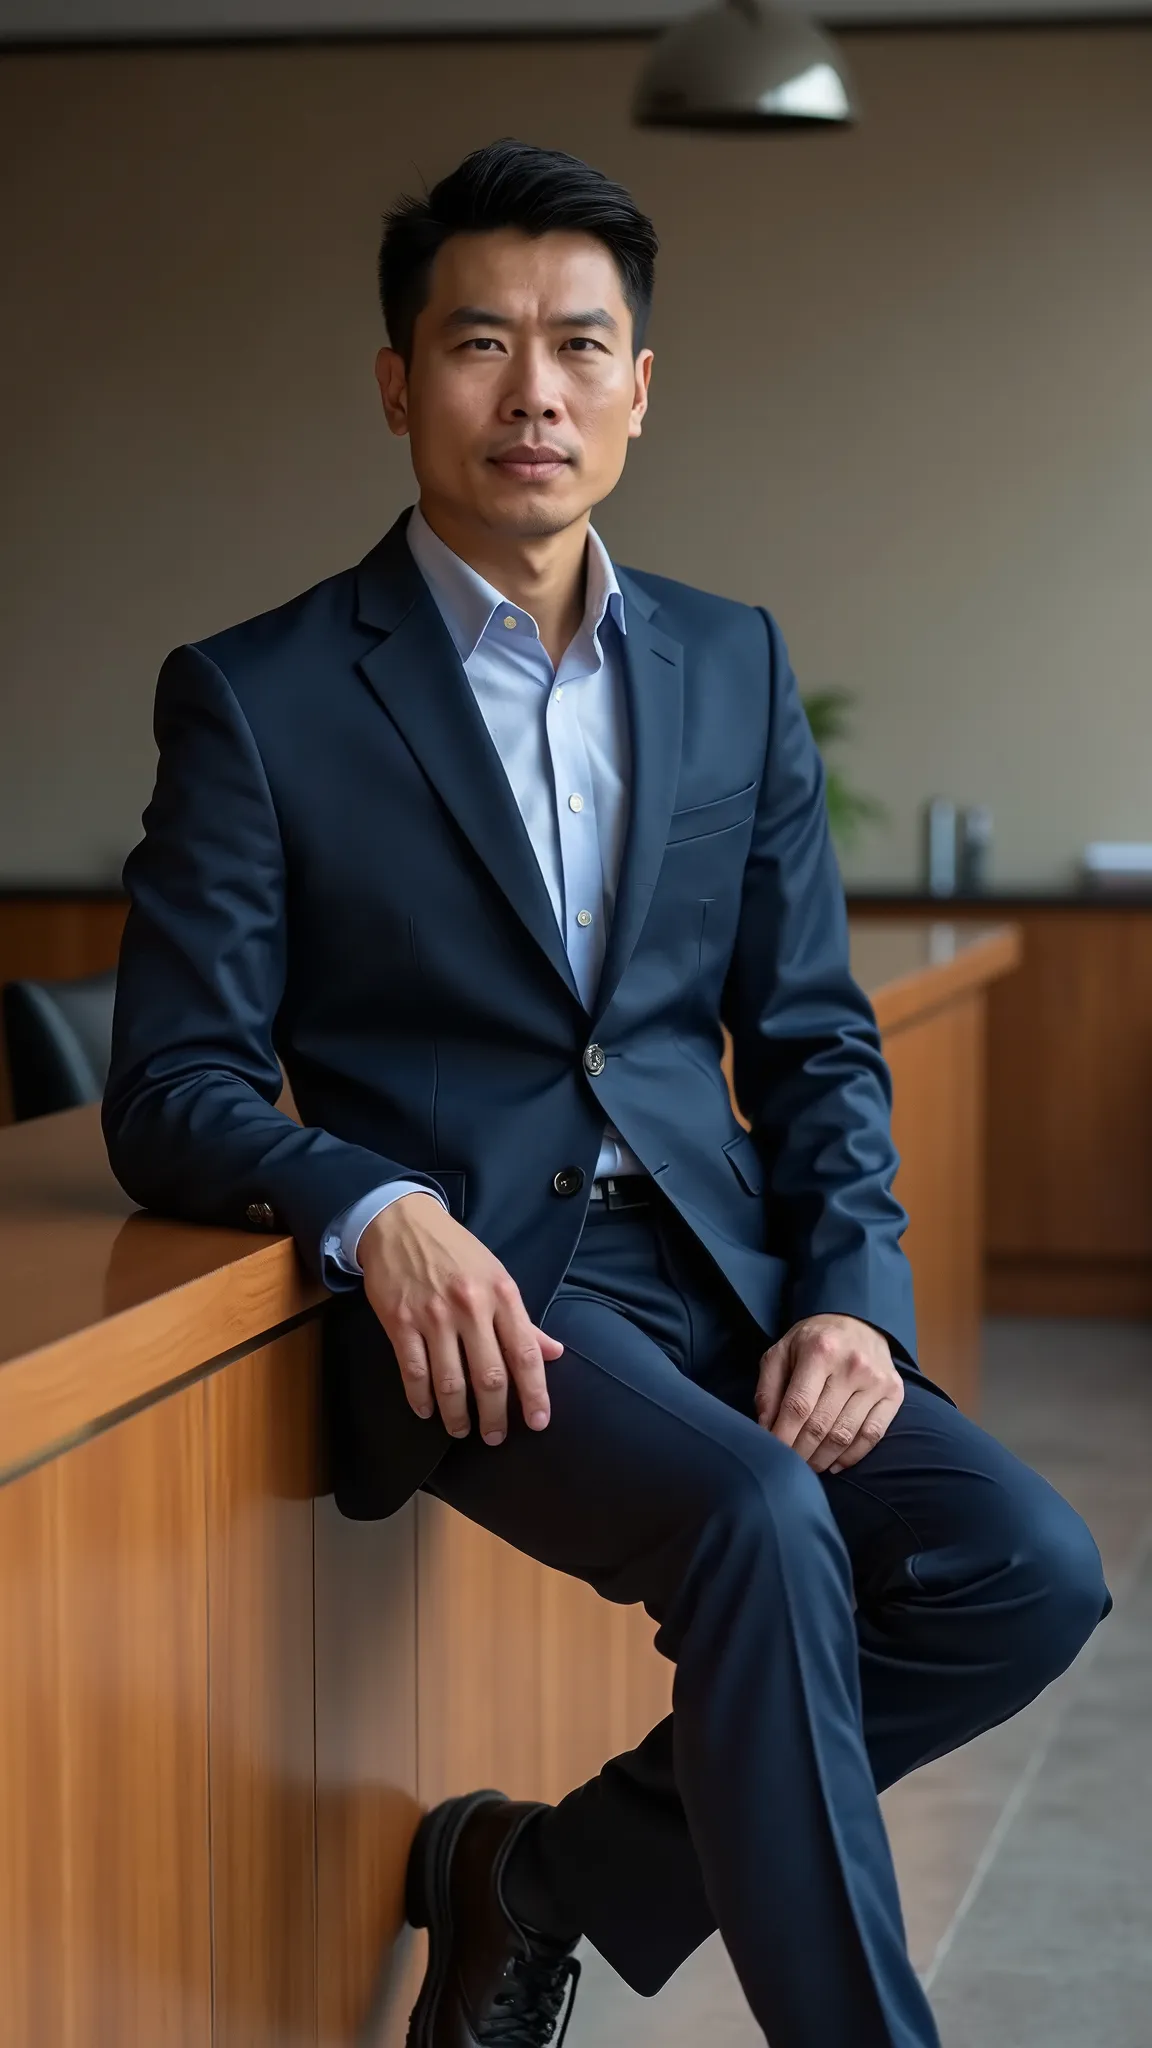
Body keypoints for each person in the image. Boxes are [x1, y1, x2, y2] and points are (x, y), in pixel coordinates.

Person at [102, 139, 1110, 2048]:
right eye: (482, 343)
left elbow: (810, 1035)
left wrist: (850, 1299)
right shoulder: (260, 695)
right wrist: (369, 1204)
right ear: (401, 382)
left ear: (641, 390)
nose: (534, 390)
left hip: (720, 1275)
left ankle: (538, 1879)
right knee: (758, 1523)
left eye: (581, 346)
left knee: (1023, 1575)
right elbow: (173, 1081)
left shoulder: (732, 665)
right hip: (478, 1300)